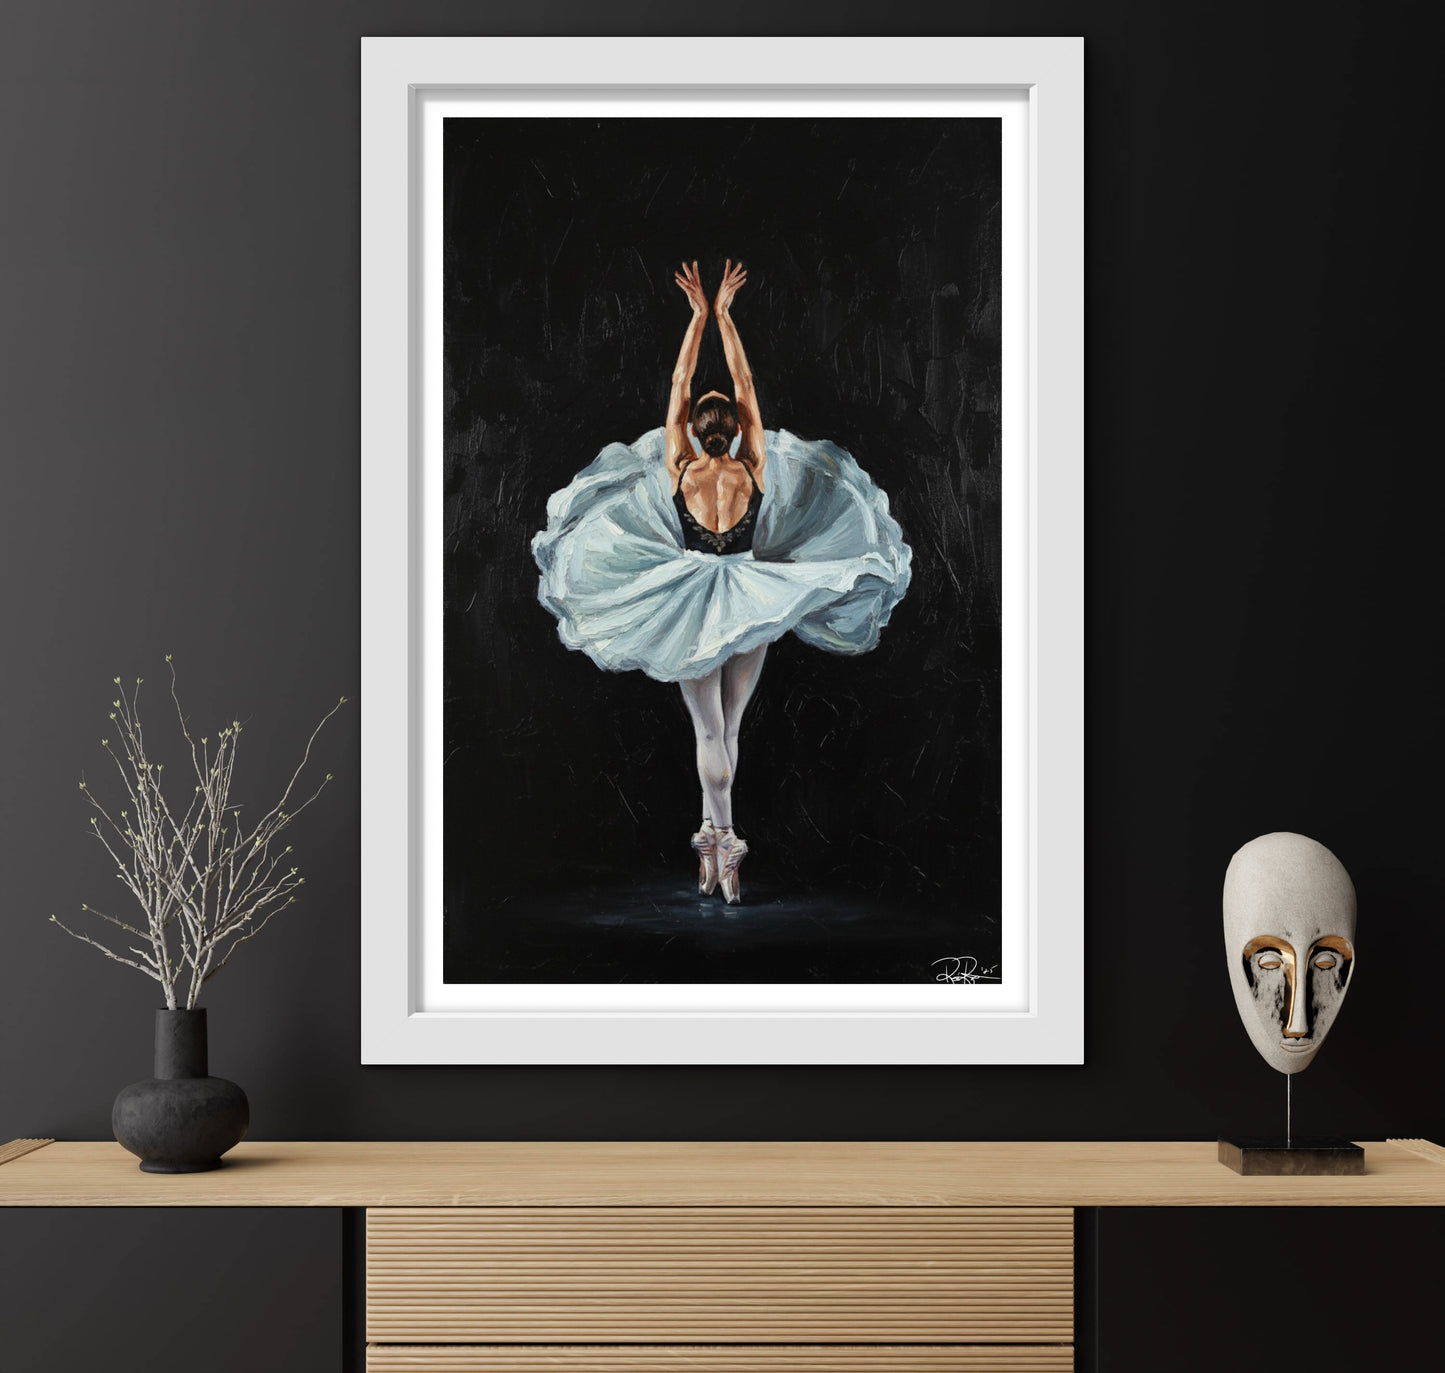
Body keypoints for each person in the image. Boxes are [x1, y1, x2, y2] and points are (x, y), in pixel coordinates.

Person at [532, 259, 911, 903]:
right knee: (730, 729)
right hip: (747, 593)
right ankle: (723, 843)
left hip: (688, 597)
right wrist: (728, 318)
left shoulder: (679, 467)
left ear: (694, 433)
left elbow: (683, 378)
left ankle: (718, 845)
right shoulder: (753, 470)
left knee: (708, 732)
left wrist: (697, 317)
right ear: (735, 431)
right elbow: (745, 380)